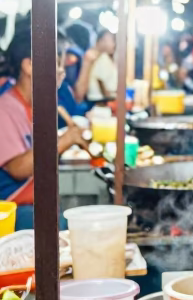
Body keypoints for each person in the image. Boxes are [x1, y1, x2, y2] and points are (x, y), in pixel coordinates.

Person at [0, 27, 86, 228]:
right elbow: (19, 169)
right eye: (56, 63)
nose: (61, 71)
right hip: (12, 211)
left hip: (33, 203)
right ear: (29, 65)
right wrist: (65, 140)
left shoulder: (32, 104)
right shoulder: (5, 108)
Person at [86, 30, 118, 103]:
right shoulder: (102, 58)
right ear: (100, 41)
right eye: (112, 41)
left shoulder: (107, 58)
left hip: (106, 99)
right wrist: (111, 99)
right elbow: (101, 82)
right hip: (100, 101)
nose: (114, 44)